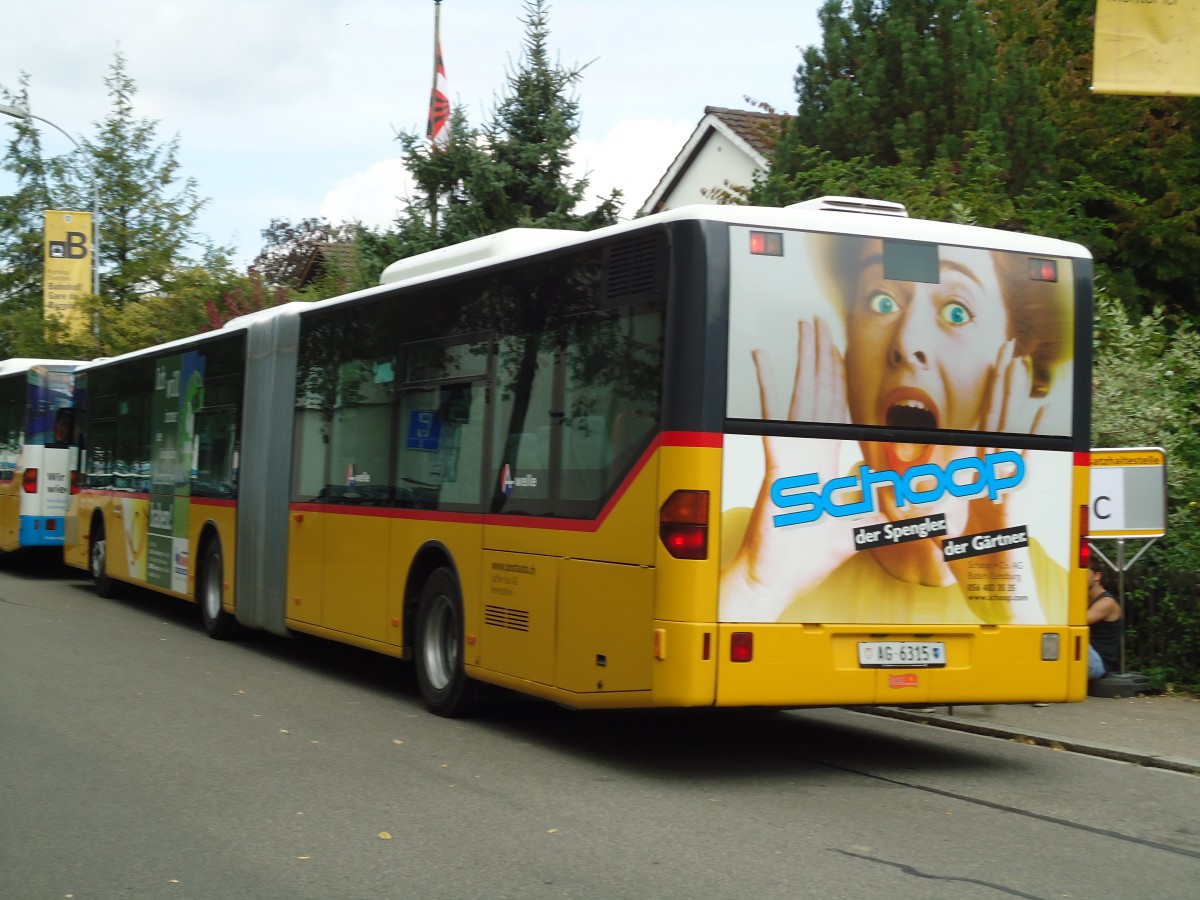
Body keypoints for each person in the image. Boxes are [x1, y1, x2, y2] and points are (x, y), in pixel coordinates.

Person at [720, 234, 1073, 625]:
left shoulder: (1048, 589)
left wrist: (1009, 602)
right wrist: (758, 588)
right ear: (849, 352)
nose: (907, 341)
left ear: (1013, 373)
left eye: (957, 311)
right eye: (881, 301)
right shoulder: (740, 552)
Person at [1087, 559, 1123, 680]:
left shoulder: (1106, 602)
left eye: (1083, 571)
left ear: (1097, 576)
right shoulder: (1085, 599)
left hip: (1097, 663)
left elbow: (1078, 621)